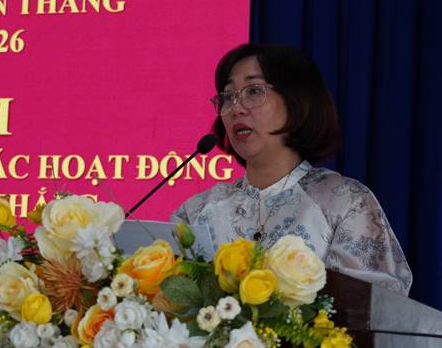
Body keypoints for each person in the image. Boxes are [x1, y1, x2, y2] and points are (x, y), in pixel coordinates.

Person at [171, 43, 412, 295]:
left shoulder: (346, 203)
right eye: (228, 97)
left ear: (297, 101)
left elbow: (375, 306)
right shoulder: (195, 213)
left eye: (254, 91)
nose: (237, 108)